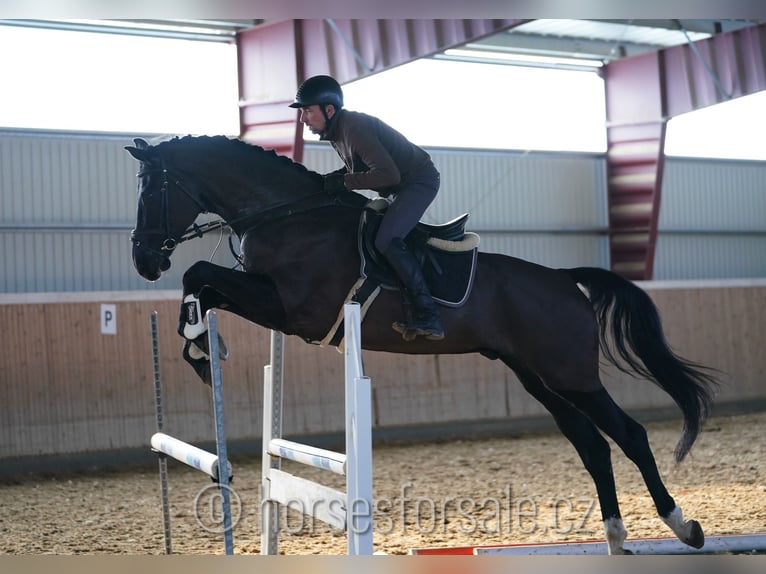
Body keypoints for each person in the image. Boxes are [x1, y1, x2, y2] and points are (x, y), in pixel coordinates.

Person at [290, 74, 444, 341]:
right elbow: (356, 171)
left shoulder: (353, 128)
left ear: (329, 109)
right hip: (398, 187)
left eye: (307, 110)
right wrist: (324, 183)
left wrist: (343, 182)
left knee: (386, 239)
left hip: (417, 182)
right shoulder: (338, 131)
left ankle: (428, 313)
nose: (302, 119)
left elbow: (388, 175)